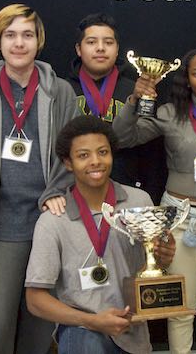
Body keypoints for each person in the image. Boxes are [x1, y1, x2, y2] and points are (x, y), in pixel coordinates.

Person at [0, 4, 78, 354]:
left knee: (42, 322)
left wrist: (57, 191)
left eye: (27, 35)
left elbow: (73, 156)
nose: (19, 43)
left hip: (48, 222)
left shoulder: (61, 92)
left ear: (39, 41)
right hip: (0, 226)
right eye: (10, 35)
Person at [112, 47, 196, 354]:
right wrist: (134, 101)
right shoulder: (170, 113)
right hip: (180, 220)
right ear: (187, 79)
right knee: (181, 305)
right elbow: (121, 138)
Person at [26, 115, 176, 354]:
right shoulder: (53, 220)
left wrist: (163, 256)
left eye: (103, 152)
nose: (95, 161)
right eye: (83, 155)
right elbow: (35, 300)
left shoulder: (140, 201)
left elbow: (152, 266)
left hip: (132, 329)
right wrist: (91, 321)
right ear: (68, 162)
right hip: (82, 329)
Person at [40, 13, 166, 214]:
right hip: (72, 194)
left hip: (127, 195)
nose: (100, 48)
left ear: (117, 50)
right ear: (79, 50)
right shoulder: (61, 90)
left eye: (108, 42)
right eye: (91, 42)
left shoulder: (138, 90)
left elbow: (152, 151)